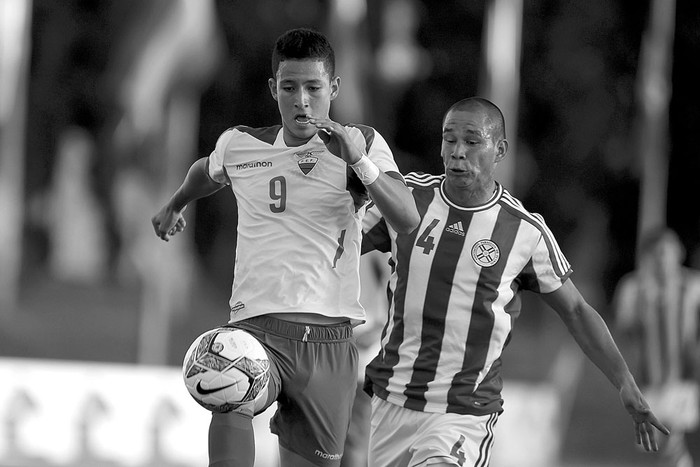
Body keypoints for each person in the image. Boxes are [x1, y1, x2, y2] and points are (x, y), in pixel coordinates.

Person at [151, 28, 420, 467]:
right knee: (227, 383)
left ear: (333, 88)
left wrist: (359, 162)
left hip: (330, 343)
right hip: (257, 331)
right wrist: (175, 204)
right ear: (274, 88)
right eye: (290, 87)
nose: (302, 100)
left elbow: (406, 218)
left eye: (313, 88)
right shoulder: (241, 144)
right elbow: (207, 170)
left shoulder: (361, 144)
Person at [360, 97, 670, 466]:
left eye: (472, 141)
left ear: (499, 149)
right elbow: (334, 242)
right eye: (449, 139)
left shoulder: (524, 231)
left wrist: (624, 382)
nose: (457, 153)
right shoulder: (407, 198)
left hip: (462, 411)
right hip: (390, 402)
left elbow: (575, 309)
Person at [613, 227, 700, 467]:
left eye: (668, 252)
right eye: (658, 253)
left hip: (683, 377)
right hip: (647, 378)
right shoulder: (633, 287)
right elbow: (623, 329)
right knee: (657, 447)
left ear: (678, 253)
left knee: (673, 437)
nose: (663, 259)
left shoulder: (692, 286)